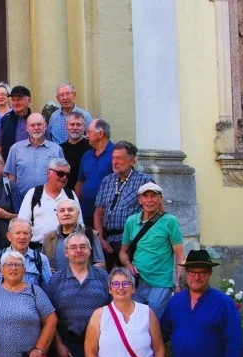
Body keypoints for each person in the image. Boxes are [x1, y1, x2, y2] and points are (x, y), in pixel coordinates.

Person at [120, 182, 186, 319]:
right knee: (136, 321)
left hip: (161, 282)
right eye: (145, 196)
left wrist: (179, 284)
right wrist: (128, 265)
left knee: (155, 321)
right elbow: (123, 252)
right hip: (137, 281)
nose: (149, 200)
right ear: (140, 200)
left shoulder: (170, 221)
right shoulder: (131, 221)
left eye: (153, 196)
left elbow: (180, 255)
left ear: (160, 199)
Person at [92, 140, 155, 270]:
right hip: (108, 241)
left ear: (132, 161)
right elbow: (98, 212)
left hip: (132, 242)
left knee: (130, 282)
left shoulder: (144, 181)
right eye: (113, 158)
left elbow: (155, 212)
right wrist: (100, 238)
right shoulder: (107, 181)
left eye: (119, 158)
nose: (115, 162)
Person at [18, 158, 84, 245]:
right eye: (60, 173)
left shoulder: (70, 195)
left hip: (65, 248)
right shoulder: (34, 193)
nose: (64, 177)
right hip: (38, 247)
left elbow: (80, 223)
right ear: (49, 173)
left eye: (67, 175)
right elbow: (22, 224)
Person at [0, 218, 53, 292]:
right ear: (9, 236)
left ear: (31, 237)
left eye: (26, 233)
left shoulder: (41, 259)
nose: (22, 237)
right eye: (17, 233)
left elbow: (50, 290)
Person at [5, 113, 64, 199]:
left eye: (39, 124)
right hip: (21, 200)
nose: (36, 128)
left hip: (49, 199)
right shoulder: (15, 149)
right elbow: (12, 177)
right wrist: (12, 200)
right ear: (27, 128)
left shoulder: (57, 149)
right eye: (32, 125)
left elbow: (62, 177)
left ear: (45, 126)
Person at [41, 198, 106, 272]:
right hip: (56, 282)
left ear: (78, 214)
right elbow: (43, 265)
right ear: (57, 215)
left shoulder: (90, 234)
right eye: (62, 211)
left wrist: (84, 273)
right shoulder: (48, 238)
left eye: (70, 210)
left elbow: (101, 264)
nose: (66, 213)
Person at [76, 118, 115, 228]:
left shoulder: (116, 153)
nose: (86, 135)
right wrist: (76, 205)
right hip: (86, 211)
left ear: (100, 134)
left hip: (107, 213)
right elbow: (80, 182)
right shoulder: (86, 155)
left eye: (89, 132)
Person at [0, 85, 32, 158]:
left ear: (29, 100)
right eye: (13, 100)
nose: (15, 103)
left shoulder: (36, 120)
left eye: (19, 99)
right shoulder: (4, 120)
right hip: (10, 164)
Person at [59, 112, 90, 196]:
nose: (75, 128)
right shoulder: (59, 149)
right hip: (64, 194)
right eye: (72, 124)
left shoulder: (91, 147)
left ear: (84, 127)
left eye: (78, 125)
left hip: (86, 195)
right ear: (66, 127)